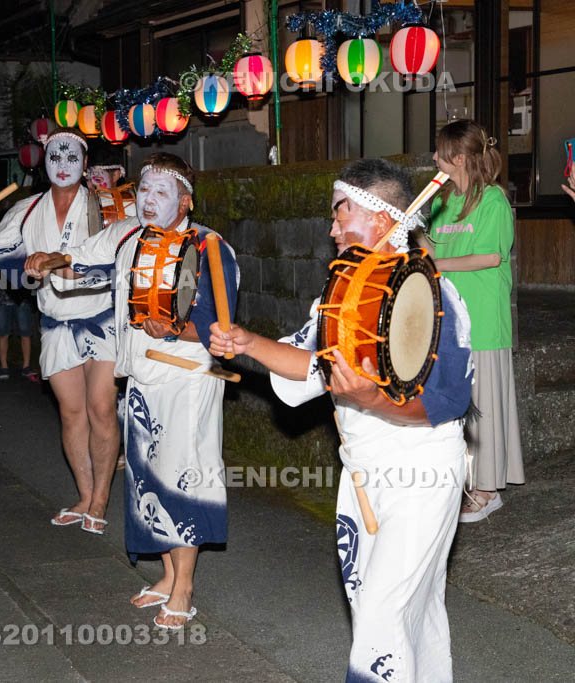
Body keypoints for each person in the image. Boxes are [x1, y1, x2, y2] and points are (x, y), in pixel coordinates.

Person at [211, 158, 473, 682]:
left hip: (423, 470)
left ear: (381, 219)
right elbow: (312, 369)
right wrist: (248, 343)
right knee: (398, 611)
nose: (331, 228)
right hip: (361, 473)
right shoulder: (339, 296)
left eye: (341, 212)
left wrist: (377, 403)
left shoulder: (436, 296)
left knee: (381, 614)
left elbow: (450, 401)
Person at [26, 152, 239, 628]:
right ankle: (166, 575)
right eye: (144, 189)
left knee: (182, 478)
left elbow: (222, 327)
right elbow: (83, 256)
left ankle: (184, 586)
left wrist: (178, 330)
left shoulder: (207, 247)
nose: (147, 199)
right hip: (141, 378)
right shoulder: (128, 239)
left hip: (188, 381)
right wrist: (51, 258)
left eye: (161, 192)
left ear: (185, 201)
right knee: (148, 478)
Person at [0, 129, 120, 532]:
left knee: (101, 408)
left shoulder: (106, 206)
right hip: (57, 322)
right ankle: (83, 493)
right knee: (71, 412)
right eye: (55, 157)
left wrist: (54, 260)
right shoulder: (25, 210)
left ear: (84, 160)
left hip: (102, 319)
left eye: (71, 156)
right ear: (43, 162)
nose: (63, 165)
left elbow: (116, 258)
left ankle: (101, 498)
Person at [422, 119, 524, 522]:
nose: (434, 158)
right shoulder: (441, 201)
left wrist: (436, 264)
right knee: (456, 406)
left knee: (485, 408)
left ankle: (487, 490)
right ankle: (462, 480)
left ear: (459, 157)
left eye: (440, 153)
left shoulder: (493, 201)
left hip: (483, 319)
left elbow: (490, 257)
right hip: (449, 321)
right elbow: (429, 247)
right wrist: (412, 236)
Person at [0, 284, 37, 381]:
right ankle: (4, 367)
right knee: (3, 333)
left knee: (25, 332)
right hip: (3, 298)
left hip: (21, 298)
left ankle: (26, 367)